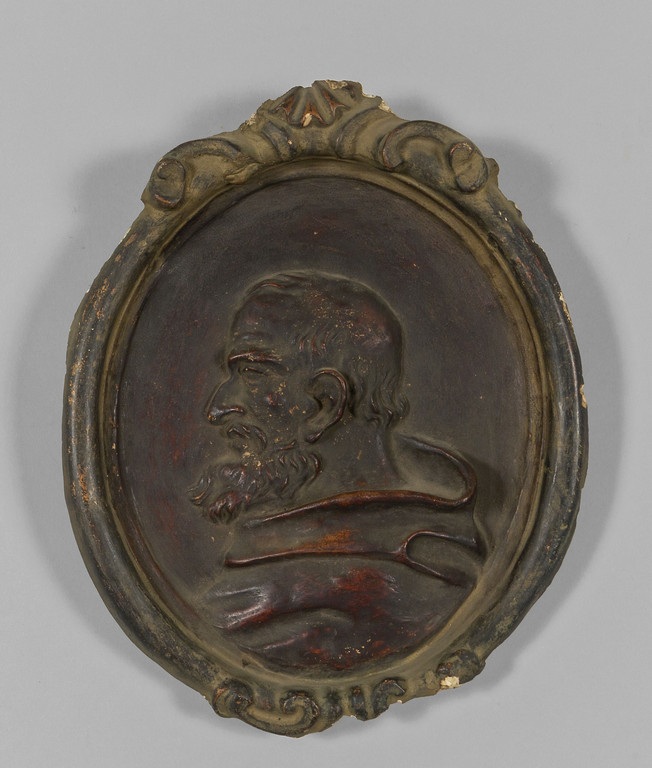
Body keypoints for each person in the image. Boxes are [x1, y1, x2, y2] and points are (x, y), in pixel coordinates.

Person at [189, 271, 483, 670]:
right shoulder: (443, 539)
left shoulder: (349, 603)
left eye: (252, 374)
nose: (217, 408)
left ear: (327, 404)